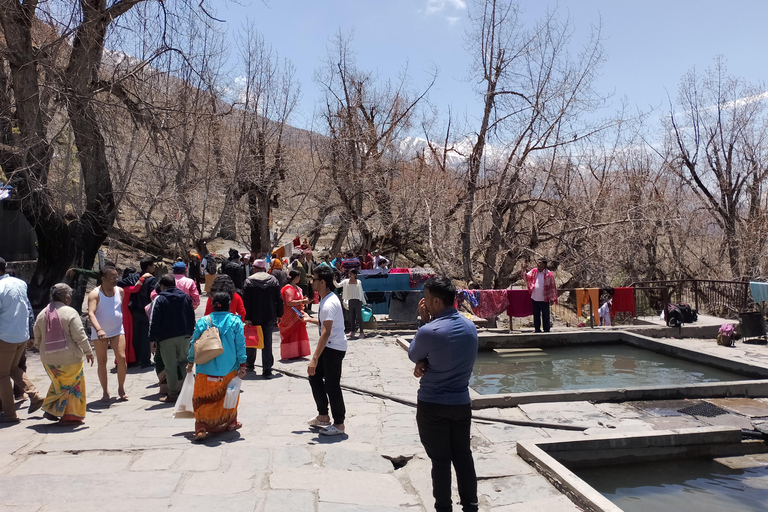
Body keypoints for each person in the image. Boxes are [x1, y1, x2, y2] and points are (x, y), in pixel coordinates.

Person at [408, 276, 479, 512]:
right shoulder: (470, 328)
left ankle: (443, 507)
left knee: (440, 461)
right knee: (463, 456)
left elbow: (413, 353)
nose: (424, 303)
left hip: (433, 404)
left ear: (437, 301)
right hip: (460, 403)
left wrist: (423, 322)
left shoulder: (430, 330)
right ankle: (470, 505)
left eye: (427, 298)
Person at [187, 292, 247, 442]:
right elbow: (240, 345)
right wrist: (243, 364)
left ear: (213, 304)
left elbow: (194, 344)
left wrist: (190, 361)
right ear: (229, 304)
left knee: (202, 399)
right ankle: (231, 423)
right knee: (229, 396)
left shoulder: (203, 321)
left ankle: (201, 427)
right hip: (229, 368)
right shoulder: (235, 321)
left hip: (204, 369)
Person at [33, 284, 94, 425]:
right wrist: (88, 352)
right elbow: (80, 335)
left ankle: (52, 410)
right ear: (66, 297)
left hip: (48, 360)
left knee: (59, 384)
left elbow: (37, 336)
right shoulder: (70, 312)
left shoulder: (43, 313)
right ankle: (70, 416)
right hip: (70, 358)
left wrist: (44, 348)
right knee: (72, 386)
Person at [302, 266, 347, 436]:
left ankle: (339, 424)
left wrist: (314, 358)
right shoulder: (325, 300)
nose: (311, 281)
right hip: (330, 347)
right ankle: (323, 416)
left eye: (314, 278)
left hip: (333, 348)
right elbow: (326, 324)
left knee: (332, 385)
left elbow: (326, 332)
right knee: (314, 376)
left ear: (322, 282)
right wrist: (309, 319)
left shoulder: (329, 303)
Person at [0, 257, 44, 422]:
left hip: (5, 335)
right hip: (21, 334)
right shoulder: (19, 283)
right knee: (12, 368)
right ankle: (34, 394)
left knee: (2, 374)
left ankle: (9, 414)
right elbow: (27, 307)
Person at [149, 274, 195, 403]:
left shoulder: (160, 299)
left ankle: (173, 394)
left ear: (162, 286)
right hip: (184, 336)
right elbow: (191, 315)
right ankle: (188, 392)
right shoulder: (185, 297)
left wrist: (152, 339)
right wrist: (191, 332)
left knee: (170, 366)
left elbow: (155, 320)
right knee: (185, 363)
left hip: (166, 338)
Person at [88, 265, 128, 401]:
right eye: (112, 278)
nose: (115, 280)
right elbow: (91, 313)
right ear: (103, 279)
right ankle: (105, 391)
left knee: (122, 358)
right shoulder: (94, 294)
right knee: (102, 361)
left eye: (117, 277)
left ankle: (121, 388)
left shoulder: (120, 291)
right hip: (100, 332)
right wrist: (99, 329)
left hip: (117, 330)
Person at [243, 259, 284, 378]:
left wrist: (247, 317)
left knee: (251, 340)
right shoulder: (273, 280)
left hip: (254, 316)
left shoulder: (249, 281)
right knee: (267, 341)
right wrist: (279, 314)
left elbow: (246, 302)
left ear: (254, 268)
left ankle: (250, 364)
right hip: (269, 316)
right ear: (265, 269)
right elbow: (279, 299)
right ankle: (267, 369)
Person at [130, 257, 157, 368]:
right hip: (146, 311)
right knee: (146, 336)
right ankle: (145, 361)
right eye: (153, 265)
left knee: (136, 335)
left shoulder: (135, 277)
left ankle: (136, 359)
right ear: (148, 267)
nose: (154, 267)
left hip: (135, 309)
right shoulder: (151, 280)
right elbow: (153, 296)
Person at [279, 270, 311, 360]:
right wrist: (302, 301)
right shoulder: (288, 288)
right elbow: (289, 302)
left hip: (297, 314)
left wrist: (302, 301)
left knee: (298, 332)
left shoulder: (297, 287)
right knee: (291, 333)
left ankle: (298, 351)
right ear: (295, 278)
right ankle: (290, 353)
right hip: (289, 314)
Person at [521, 258, 558, 333]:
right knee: (536, 315)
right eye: (537, 262)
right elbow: (525, 277)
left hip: (545, 299)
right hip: (534, 298)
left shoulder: (549, 274)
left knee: (546, 316)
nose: (538, 264)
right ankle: (537, 330)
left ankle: (546, 330)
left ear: (544, 264)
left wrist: (552, 298)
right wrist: (523, 270)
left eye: (540, 263)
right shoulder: (534, 271)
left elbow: (552, 286)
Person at [333, 269, 367, 339]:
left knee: (359, 317)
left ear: (355, 275)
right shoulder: (346, 282)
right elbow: (338, 285)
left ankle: (361, 332)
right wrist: (334, 280)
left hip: (358, 301)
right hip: (350, 301)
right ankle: (352, 332)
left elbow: (361, 292)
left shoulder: (358, 282)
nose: (349, 275)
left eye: (351, 274)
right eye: (349, 274)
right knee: (352, 317)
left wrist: (364, 301)